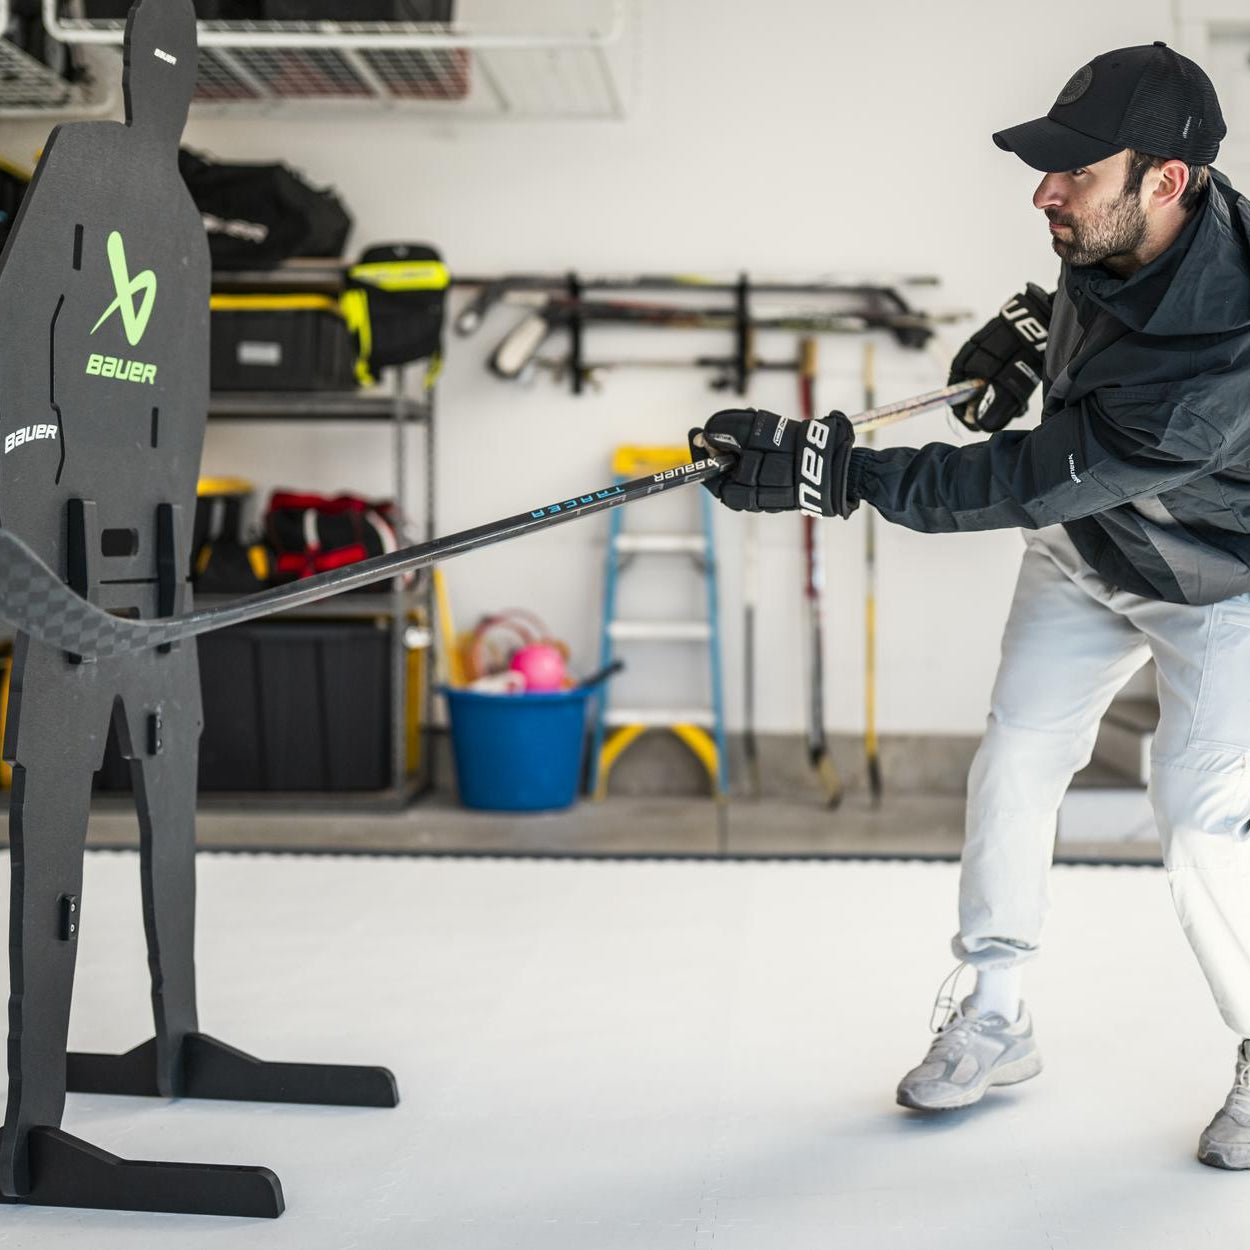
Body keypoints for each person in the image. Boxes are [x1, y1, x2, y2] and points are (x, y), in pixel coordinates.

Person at [690, 41, 1250, 1170]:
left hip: (1219, 579)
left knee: (1193, 813)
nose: (1043, 192)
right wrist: (1031, 327)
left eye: (1072, 174)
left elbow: (1016, 478)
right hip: (1093, 544)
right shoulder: (1136, 222)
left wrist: (830, 470)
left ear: (1163, 180)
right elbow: (1090, 306)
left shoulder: (1216, 358)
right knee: (1015, 755)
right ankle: (996, 1013)